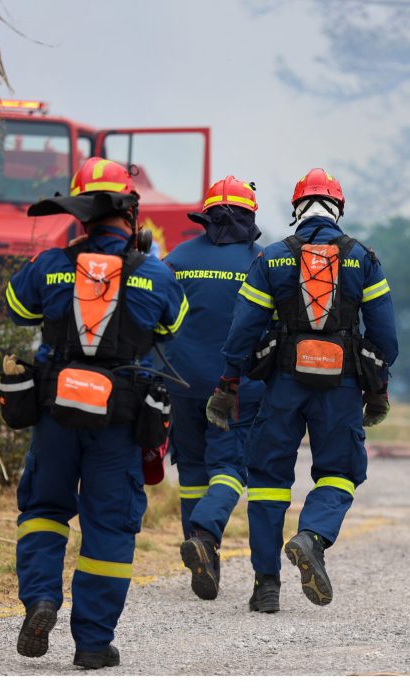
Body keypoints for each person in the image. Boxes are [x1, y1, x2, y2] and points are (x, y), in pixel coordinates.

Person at [4, 157, 187, 669]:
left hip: (55, 413)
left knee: (43, 510)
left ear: (81, 213)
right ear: (131, 214)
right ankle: (91, 643)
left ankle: (40, 598)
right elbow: (172, 328)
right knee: (108, 529)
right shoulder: (155, 273)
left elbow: (17, 306)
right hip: (120, 422)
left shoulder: (49, 263)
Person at [206, 168, 398, 613]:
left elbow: (243, 330)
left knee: (269, 482)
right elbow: (385, 337)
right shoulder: (362, 259)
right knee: (340, 472)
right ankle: (312, 536)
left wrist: (230, 380)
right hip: (343, 387)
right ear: (338, 209)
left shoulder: (271, 258)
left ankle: (266, 585)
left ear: (296, 210)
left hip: (282, 387)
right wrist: (378, 387)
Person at [163, 176, 265, 601]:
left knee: (191, 472)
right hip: (237, 388)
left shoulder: (176, 258)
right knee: (230, 469)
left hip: (180, 384)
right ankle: (205, 536)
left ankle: (204, 561)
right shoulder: (263, 261)